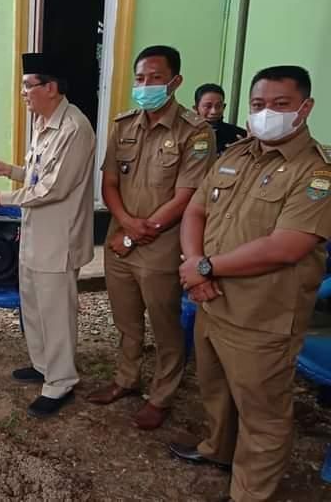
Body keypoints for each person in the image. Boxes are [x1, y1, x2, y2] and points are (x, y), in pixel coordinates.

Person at [170, 66, 331, 502]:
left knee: (263, 414)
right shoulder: (234, 154)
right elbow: (195, 212)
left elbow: (286, 246)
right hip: (212, 302)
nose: (267, 114)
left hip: (262, 318)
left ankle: (249, 494)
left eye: (280, 104)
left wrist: (204, 270)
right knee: (216, 391)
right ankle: (218, 450)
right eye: (259, 105)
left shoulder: (316, 173)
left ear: (305, 108)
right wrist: (196, 266)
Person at [88, 45, 216, 430]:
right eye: (140, 78)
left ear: (175, 82)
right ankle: (127, 379)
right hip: (119, 241)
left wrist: (143, 230)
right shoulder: (124, 125)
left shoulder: (196, 132)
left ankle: (162, 396)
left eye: (155, 78)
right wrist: (127, 224)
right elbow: (109, 181)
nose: (145, 86)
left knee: (164, 325)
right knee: (126, 320)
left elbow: (187, 195)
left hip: (162, 248)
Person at [0, 52, 96, 418]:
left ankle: (61, 381)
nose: (23, 93)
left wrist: (3, 199)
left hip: (58, 240)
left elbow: (53, 188)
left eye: (28, 86)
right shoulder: (45, 123)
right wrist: (9, 170)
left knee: (57, 312)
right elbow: (35, 176)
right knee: (33, 307)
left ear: (51, 88)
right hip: (34, 234)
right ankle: (44, 365)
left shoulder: (74, 129)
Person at [194, 83, 247, 154]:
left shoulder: (239, 136)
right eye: (208, 106)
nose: (214, 111)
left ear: (224, 107)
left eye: (218, 106)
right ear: (196, 108)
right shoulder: (186, 134)